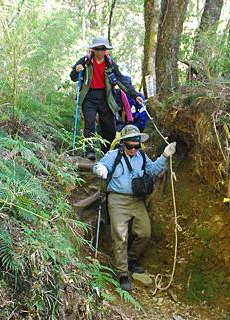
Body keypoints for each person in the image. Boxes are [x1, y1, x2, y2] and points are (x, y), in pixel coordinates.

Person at [93, 125, 176, 292]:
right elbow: (98, 165)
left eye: (136, 146)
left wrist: (164, 156)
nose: (133, 149)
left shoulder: (142, 157)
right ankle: (122, 273)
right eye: (130, 146)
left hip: (137, 200)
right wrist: (100, 169)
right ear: (123, 143)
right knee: (120, 237)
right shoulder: (113, 156)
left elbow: (153, 170)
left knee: (145, 232)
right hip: (117, 200)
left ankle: (132, 259)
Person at [70, 37, 143, 160]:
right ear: (93, 50)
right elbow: (73, 77)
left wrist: (135, 95)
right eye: (97, 49)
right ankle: (90, 152)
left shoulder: (110, 63)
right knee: (89, 125)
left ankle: (106, 151)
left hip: (106, 97)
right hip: (89, 97)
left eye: (102, 49)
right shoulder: (85, 61)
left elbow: (121, 81)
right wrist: (76, 70)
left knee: (109, 128)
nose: (100, 52)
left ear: (105, 50)